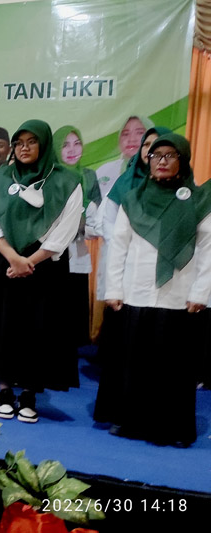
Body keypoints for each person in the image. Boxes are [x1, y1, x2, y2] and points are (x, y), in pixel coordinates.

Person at [96, 133, 211, 447]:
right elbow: (118, 246)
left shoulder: (199, 200)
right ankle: (131, 421)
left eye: (170, 155)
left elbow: (208, 249)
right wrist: (114, 288)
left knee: (174, 367)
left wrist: (201, 292)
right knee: (135, 361)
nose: (161, 161)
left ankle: (172, 428)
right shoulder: (133, 198)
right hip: (136, 292)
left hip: (179, 295)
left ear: (183, 160)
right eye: (156, 155)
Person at [0, 119, 83, 423]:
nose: (24, 148)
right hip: (4, 262)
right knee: (3, 328)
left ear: (44, 145)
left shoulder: (67, 181)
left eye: (32, 142)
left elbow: (65, 229)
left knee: (38, 330)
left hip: (45, 268)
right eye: (19, 143)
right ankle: (5, 391)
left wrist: (29, 261)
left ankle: (30, 393)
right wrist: (13, 258)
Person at [53, 125, 102, 347]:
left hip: (78, 255)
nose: (72, 150)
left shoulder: (89, 177)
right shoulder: (49, 176)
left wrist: (81, 227)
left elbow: (96, 225)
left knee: (73, 311)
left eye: (77, 143)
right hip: (50, 256)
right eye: (65, 145)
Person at [95, 116, 151, 198]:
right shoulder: (105, 170)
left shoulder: (160, 171)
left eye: (140, 133)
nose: (132, 139)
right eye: (125, 134)